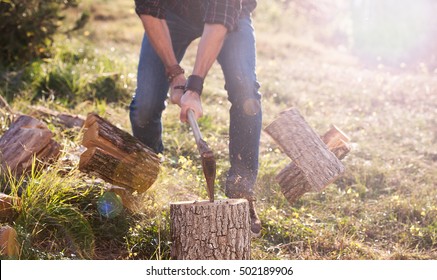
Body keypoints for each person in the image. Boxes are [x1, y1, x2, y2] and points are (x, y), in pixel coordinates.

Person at [130, 0, 262, 236]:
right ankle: (143, 179)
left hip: (230, 15)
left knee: (246, 93)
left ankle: (241, 192)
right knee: (144, 106)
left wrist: (194, 88)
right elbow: (149, 10)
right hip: (170, 12)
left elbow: (219, 21)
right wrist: (174, 73)